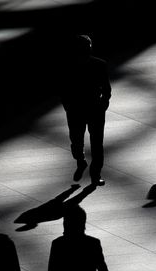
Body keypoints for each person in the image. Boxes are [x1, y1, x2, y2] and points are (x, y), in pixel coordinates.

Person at [60, 34, 111, 186]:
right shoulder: (69, 66)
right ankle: (81, 159)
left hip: (90, 108)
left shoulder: (98, 64)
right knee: (77, 140)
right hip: (77, 109)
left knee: (96, 143)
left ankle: (95, 174)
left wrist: (103, 104)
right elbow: (63, 89)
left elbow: (106, 88)